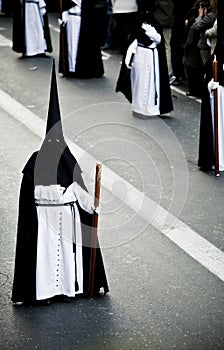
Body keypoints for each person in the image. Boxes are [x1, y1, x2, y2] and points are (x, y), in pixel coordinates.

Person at [11, 60, 109, 305]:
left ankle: (68, 290)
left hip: (68, 220)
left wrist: (92, 206)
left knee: (67, 257)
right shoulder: (35, 162)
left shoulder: (69, 161)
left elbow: (82, 194)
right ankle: (43, 293)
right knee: (44, 258)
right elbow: (27, 202)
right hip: (44, 223)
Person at [116, 1, 173, 118]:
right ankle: (139, 107)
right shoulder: (139, 21)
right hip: (142, 55)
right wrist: (128, 60)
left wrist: (153, 35)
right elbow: (133, 41)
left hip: (151, 56)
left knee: (151, 83)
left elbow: (158, 40)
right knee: (140, 82)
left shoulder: (152, 22)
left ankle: (151, 108)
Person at [59, 0, 104, 78]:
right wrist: (64, 14)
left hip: (84, 19)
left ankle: (83, 69)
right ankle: (70, 68)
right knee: (70, 45)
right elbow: (64, 4)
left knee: (85, 44)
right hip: (70, 19)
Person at [152, 0, 176, 84]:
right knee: (167, 47)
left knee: (156, 45)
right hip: (168, 22)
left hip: (158, 21)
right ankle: (169, 72)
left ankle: (158, 70)